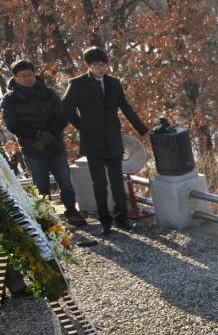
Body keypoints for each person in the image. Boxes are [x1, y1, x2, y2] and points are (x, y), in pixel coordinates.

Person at [62, 47, 148, 236]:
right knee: (99, 183)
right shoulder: (77, 84)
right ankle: (105, 221)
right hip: (92, 141)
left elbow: (125, 107)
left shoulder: (114, 83)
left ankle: (122, 218)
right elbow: (66, 108)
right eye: (97, 65)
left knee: (118, 181)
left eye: (104, 65)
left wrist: (143, 130)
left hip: (113, 139)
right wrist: (82, 126)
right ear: (88, 65)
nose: (102, 69)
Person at [2, 60, 85, 226]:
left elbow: (61, 115)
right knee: (41, 187)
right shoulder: (9, 100)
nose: (27, 78)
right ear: (15, 77)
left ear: (35, 74)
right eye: (23, 76)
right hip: (32, 148)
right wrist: (37, 134)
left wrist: (49, 134)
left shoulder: (48, 93)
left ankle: (72, 212)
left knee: (65, 182)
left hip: (55, 145)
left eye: (30, 75)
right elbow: (13, 125)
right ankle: (48, 218)